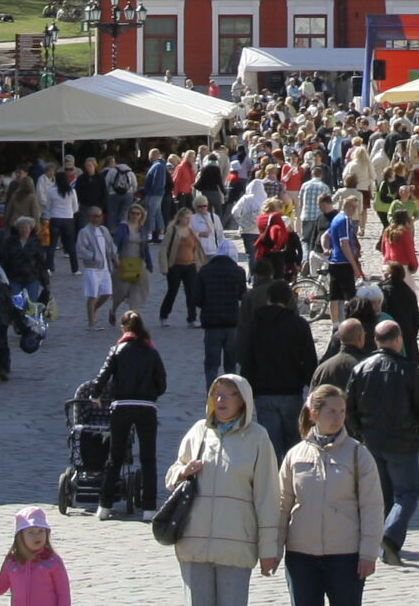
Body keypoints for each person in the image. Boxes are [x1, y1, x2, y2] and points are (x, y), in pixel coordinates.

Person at [164, 375, 281, 606]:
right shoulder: (199, 431)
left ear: (243, 401)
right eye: (217, 394)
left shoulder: (258, 438)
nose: (221, 400)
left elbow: (268, 497)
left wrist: (269, 549)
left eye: (229, 395)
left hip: (235, 547)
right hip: (194, 543)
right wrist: (183, 471)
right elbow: (171, 476)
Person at [345, 320, 419, 566]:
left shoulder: (361, 369)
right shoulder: (408, 369)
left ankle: (385, 545)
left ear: (375, 341)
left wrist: (360, 433)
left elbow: (349, 407)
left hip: (373, 441)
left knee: (384, 494)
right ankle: (390, 536)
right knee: (408, 492)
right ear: (398, 340)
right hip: (402, 441)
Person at [274, 384, 383, 606]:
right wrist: (274, 549)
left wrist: (368, 554)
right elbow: (282, 505)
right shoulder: (295, 455)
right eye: (331, 411)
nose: (338, 417)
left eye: (342, 411)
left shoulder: (358, 454)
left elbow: (372, 507)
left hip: (345, 557)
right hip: (301, 555)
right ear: (314, 414)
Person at [91, 312, 166, 520]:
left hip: (122, 406)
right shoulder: (151, 351)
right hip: (146, 407)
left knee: (115, 457)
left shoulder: (117, 349)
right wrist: (151, 395)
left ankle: (104, 506)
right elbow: (162, 383)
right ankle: (149, 508)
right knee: (148, 458)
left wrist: (95, 394)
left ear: (124, 329)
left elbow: (103, 375)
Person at [235, 284, 315, 459]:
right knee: (294, 444)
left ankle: (274, 481)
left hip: (263, 392)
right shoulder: (299, 324)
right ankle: (291, 481)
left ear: (269, 299)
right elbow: (309, 358)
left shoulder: (256, 324)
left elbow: (247, 357)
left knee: (271, 446)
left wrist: (246, 388)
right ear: (288, 300)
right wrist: (311, 385)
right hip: (292, 391)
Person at [198, 251, 248, 384]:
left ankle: (211, 394)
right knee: (231, 364)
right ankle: (230, 392)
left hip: (211, 322)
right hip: (232, 322)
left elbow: (197, 299)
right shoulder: (238, 271)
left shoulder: (204, 271)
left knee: (211, 365)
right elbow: (242, 294)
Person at [74, 208, 121, 329]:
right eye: (95, 216)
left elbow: (111, 246)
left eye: (100, 215)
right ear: (90, 217)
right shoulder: (84, 232)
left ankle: (92, 311)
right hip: (92, 268)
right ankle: (92, 322)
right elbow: (80, 250)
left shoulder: (104, 230)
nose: (98, 218)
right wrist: (93, 256)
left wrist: (115, 258)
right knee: (92, 295)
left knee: (107, 293)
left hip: (105, 268)